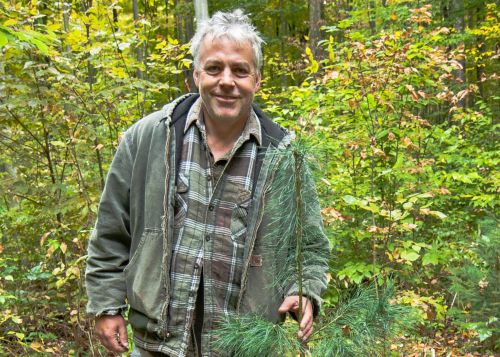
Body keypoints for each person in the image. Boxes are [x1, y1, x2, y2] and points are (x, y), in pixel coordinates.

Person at [85, 9, 330, 357]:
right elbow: (111, 230)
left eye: (240, 70)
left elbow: (309, 248)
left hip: (244, 348)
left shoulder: (284, 156)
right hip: (158, 343)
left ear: (257, 80)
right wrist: (107, 305)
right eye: (214, 68)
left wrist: (304, 292)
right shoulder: (149, 138)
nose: (226, 80)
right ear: (196, 74)